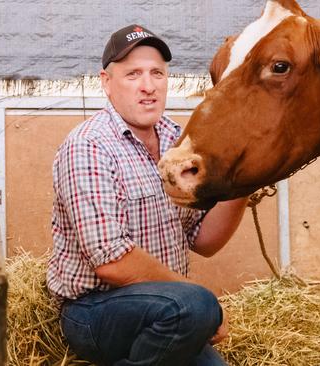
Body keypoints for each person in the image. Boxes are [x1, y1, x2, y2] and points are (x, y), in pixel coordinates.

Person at [46, 24, 247, 366]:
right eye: (133, 74)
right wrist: (196, 299)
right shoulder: (89, 146)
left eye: (157, 73)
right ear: (107, 83)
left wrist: (243, 181)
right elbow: (111, 261)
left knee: (196, 316)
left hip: (165, 313)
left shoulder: (178, 141)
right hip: (94, 312)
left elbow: (205, 240)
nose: (148, 86)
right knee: (197, 307)